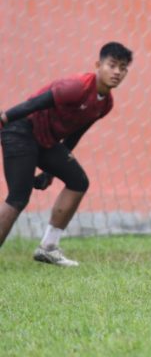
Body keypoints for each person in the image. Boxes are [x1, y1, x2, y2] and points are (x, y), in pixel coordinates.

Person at [0, 42, 133, 266]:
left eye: (123, 68)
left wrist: (49, 172)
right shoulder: (77, 86)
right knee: (18, 196)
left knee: (78, 181)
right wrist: (4, 118)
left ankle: (48, 247)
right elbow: (33, 104)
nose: (117, 72)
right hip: (21, 130)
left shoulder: (105, 103)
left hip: (46, 140)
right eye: (112, 65)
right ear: (98, 65)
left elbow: (74, 135)